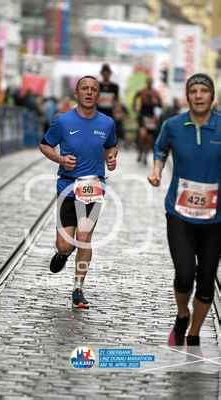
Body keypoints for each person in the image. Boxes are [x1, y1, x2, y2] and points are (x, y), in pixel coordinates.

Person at [148, 73, 221, 346]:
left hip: (216, 218)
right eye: (194, 91)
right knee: (184, 272)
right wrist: (156, 171)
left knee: (205, 281)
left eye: (204, 91)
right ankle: (182, 315)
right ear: (187, 96)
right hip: (179, 213)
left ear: (212, 97)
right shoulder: (173, 125)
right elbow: (160, 149)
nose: (199, 95)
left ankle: (194, 333)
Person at [39, 76, 118, 309]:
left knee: (84, 239)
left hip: (93, 188)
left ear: (98, 94)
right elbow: (44, 144)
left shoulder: (107, 123)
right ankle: (63, 254)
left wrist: (112, 157)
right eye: (85, 88)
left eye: (94, 89)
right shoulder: (62, 121)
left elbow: (111, 145)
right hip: (67, 187)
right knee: (65, 244)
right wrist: (60, 158)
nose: (89, 92)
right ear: (77, 93)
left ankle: (78, 289)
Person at [133, 77, 163, 164]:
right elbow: (135, 97)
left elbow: (160, 105)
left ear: (152, 83)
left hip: (151, 118)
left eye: (151, 82)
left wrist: (158, 115)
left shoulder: (155, 93)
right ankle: (140, 152)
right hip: (143, 116)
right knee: (142, 135)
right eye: (148, 82)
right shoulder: (142, 91)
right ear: (146, 82)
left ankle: (145, 155)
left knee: (149, 138)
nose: (149, 83)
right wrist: (135, 107)